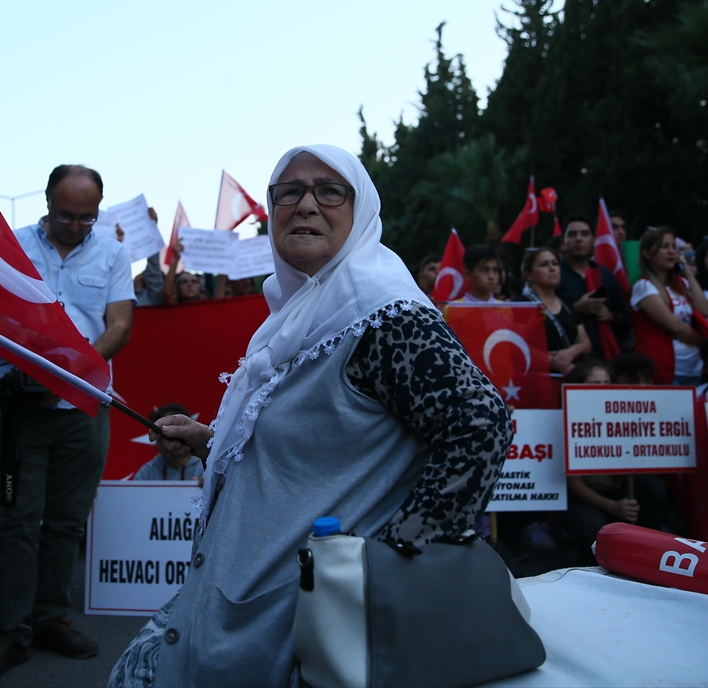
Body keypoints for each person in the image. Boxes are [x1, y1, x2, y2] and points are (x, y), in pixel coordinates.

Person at [108, 145, 512, 688]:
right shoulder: (299, 316)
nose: (305, 204)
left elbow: (480, 424)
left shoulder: (383, 316)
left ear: (361, 209)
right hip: (243, 610)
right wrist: (215, 441)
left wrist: (388, 567)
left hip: (305, 624)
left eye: (329, 190)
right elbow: (328, 439)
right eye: (288, 191)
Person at [0, 164, 134, 686]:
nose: (76, 225)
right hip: (19, 411)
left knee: (66, 522)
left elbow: (120, 323)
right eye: (66, 215)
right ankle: (11, 634)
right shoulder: (12, 246)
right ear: (47, 203)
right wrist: (23, 368)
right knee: (16, 521)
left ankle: (49, 619)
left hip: (83, 407)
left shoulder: (113, 254)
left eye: (88, 217)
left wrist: (76, 369)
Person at [561, 361, 668, 557]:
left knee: (654, 488)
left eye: (607, 383)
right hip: (584, 499)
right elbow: (574, 486)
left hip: (618, 492)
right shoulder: (567, 420)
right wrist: (614, 507)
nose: (603, 390)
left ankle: (651, 553)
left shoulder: (622, 416)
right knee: (596, 533)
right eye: (595, 385)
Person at [629, 226, 708, 385]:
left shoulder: (681, 284)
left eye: (673, 247)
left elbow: (704, 310)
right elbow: (675, 327)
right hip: (666, 369)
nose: (671, 251)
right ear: (647, 253)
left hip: (694, 367)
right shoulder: (644, 286)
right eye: (664, 247)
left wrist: (687, 272)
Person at [556, 215, 632, 359]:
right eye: (572, 235)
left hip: (605, 355)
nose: (578, 239)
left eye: (584, 234)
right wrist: (577, 309)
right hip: (568, 357)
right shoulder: (554, 274)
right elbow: (543, 319)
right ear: (563, 243)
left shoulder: (606, 276)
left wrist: (611, 316)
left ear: (593, 240)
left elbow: (625, 318)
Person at [513, 248, 591, 376]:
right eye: (544, 264)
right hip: (538, 377)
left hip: (572, 374)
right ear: (529, 274)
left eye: (555, 264)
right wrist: (553, 361)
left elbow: (586, 343)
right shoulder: (521, 304)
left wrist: (569, 353)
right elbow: (516, 342)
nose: (552, 268)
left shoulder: (567, 305)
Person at [134, 404, 205, 482]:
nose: (171, 440)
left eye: (176, 431)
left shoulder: (207, 467)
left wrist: (211, 488)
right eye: (163, 433)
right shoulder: (145, 474)